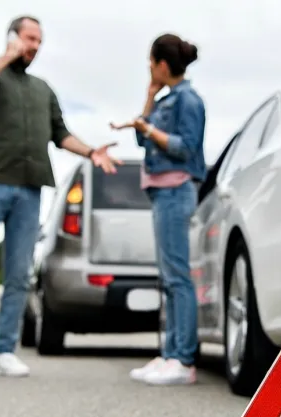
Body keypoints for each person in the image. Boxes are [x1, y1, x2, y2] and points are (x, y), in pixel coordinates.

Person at [0, 15, 121, 380]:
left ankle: (5, 350)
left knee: (19, 275)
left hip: (29, 190)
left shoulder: (42, 89)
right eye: (29, 38)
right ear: (12, 37)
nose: (34, 46)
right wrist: (8, 55)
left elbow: (60, 133)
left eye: (39, 41)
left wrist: (90, 153)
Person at [110, 33, 206, 386]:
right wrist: (149, 99)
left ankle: (183, 360)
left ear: (163, 64)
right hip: (162, 193)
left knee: (178, 278)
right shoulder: (166, 99)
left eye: (152, 63)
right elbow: (142, 139)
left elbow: (186, 147)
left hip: (176, 190)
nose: (149, 69)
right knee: (168, 278)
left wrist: (147, 127)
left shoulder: (189, 100)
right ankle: (169, 355)